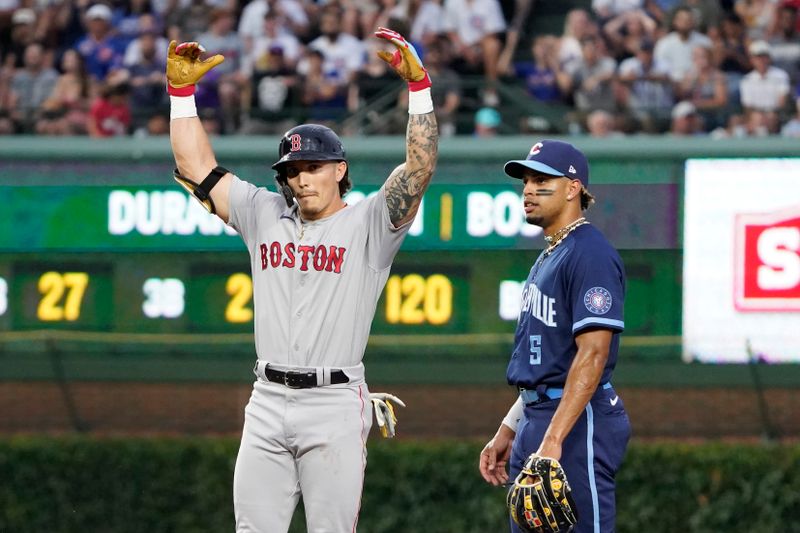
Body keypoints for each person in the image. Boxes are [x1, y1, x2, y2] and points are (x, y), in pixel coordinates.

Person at [166, 26, 438, 532]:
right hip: (266, 399)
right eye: (292, 169)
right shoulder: (263, 212)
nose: (301, 177)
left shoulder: (370, 223)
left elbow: (418, 171)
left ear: (340, 170)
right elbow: (195, 166)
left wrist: (418, 91)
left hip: (333, 402)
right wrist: (182, 97)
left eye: (314, 166)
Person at [478, 140, 631, 533]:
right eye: (526, 180)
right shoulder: (550, 254)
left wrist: (554, 439)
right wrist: (509, 428)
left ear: (572, 187)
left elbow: (592, 355)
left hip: (578, 420)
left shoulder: (589, 253)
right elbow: (541, 358)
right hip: (537, 417)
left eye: (541, 179)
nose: (528, 189)